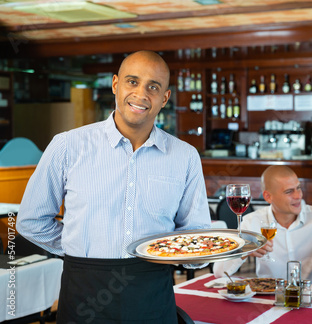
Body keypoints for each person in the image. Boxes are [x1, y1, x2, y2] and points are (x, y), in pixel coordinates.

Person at [16, 50, 211, 323]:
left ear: (165, 98)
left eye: (153, 87)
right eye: (132, 81)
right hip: (82, 291)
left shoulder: (185, 156)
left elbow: (197, 232)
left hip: (153, 292)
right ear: (115, 84)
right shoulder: (67, 146)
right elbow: (31, 221)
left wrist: (198, 254)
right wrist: (79, 248)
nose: (141, 94)